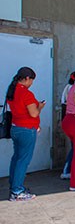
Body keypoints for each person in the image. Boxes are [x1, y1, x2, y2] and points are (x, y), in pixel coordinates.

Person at [6, 67, 45, 201]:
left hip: (15, 128)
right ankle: (17, 191)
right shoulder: (26, 94)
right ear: (27, 78)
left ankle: (14, 186)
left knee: (16, 158)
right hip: (27, 130)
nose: (32, 83)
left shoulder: (12, 91)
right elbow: (34, 113)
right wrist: (40, 106)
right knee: (23, 161)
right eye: (32, 80)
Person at [60, 78, 73, 180]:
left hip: (66, 120)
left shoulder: (68, 87)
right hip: (70, 121)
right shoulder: (72, 89)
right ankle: (67, 170)